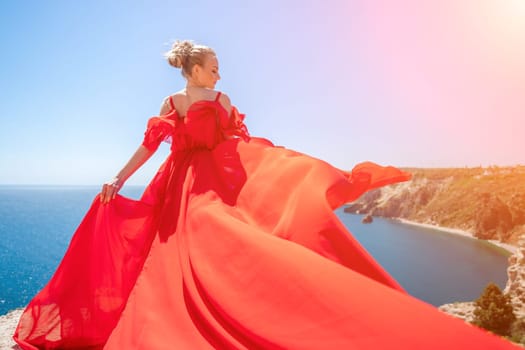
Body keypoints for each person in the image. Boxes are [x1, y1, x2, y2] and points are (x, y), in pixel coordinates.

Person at [13, 40, 518, 349]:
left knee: (223, 244)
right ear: (192, 70)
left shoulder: (225, 101)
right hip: (178, 184)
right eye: (212, 67)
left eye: (218, 68)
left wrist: (272, 165)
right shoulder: (171, 101)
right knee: (168, 259)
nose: (219, 74)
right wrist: (119, 180)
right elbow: (149, 146)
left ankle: (232, 307)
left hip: (214, 181)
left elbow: (238, 142)